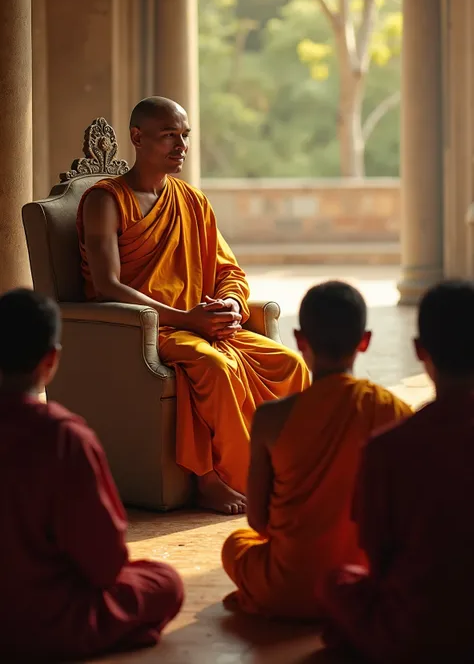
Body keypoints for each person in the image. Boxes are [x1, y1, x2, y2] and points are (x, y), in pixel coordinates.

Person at [77, 96, 309, 515]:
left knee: (290, 365)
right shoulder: (106, 201)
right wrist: (187, 319)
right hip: (150, 328)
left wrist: (231, 306)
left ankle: (292, 470)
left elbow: (228, 271)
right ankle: (222, 479)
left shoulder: (192, 201)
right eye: (168, 136)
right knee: (217, 369)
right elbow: (108, 284)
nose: (180, 146)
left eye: (184, 136)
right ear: (137, 137)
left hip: (201, 324)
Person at [0, 289, 183, 662]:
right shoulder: (64, 437)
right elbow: (105, 567)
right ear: (51, 360)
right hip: (46, 619)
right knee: (165, 583)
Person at [221, 281, 412, 620]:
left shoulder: (269, 418)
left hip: (285, 588)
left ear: (299, 339)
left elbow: (258, 521)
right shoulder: (393, 411)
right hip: (361, 581)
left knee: (236, 544)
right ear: (365, 341)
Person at [324, 279, 474, 664]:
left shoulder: (386, 450)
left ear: (420, 351)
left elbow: (378, 556)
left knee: (336, 583)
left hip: (418, 635)